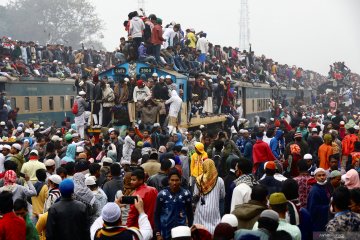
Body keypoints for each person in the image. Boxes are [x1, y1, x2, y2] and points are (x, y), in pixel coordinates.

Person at [154, 169, 193, 240]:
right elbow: (156, 214)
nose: (174, 183)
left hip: (181, 232)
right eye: (172, 180)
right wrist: (158, 234)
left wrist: (190, 232)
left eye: (177, 180)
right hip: (166, 232)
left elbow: (190, 213)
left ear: (180, 180)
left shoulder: (186, 194)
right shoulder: (162, 195)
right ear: (168, 181)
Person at [193, 159, 225, 234]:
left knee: (200, 228)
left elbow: (195, 195)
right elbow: (222, 195)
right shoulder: (219, 180)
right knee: (214, 228)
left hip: (201, 208)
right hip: (214, 208)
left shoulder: (198, 179)